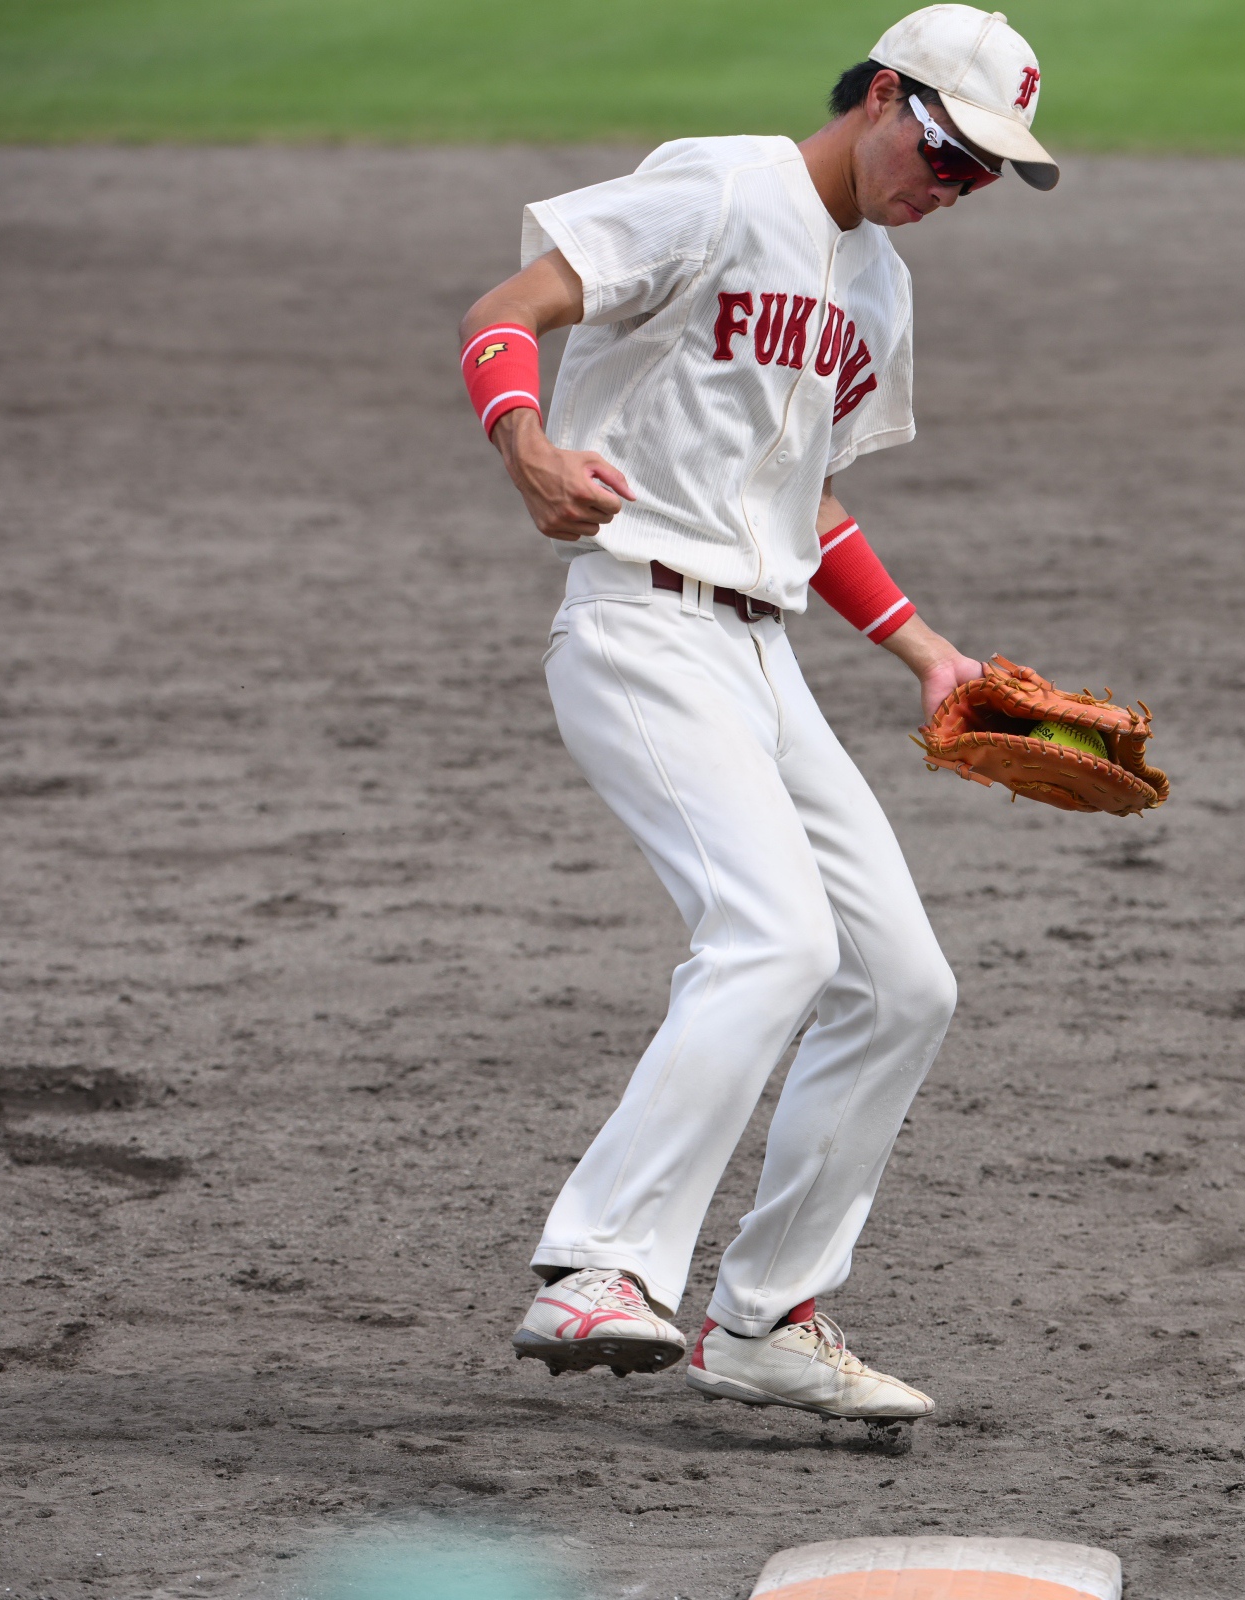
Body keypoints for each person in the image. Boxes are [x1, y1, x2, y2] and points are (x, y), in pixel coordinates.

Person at [456, 4, 1057, 1422]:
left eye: (982, 176)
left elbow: (805, 504)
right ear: (884, 97)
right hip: (638, 626)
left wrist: (928, 654)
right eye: (949, 153)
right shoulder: (721, 187)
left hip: (759, 654)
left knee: (904, 984)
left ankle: (766, 1314)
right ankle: (597, 1266)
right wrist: (525, 444)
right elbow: (504, 311)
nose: (956, 187)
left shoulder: (881, 291)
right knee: (774, 938)